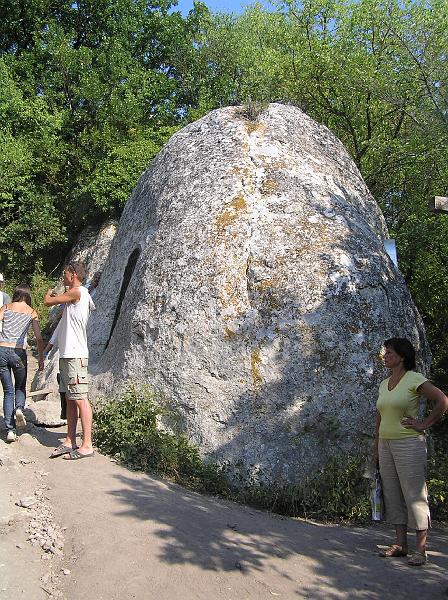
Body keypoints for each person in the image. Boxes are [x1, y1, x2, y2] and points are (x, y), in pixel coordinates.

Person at [374, 337, 448, 566]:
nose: (385, 356)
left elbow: (442, 400)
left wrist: (424, 424)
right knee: (392, 492)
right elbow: (379, 416)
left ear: (402, 356)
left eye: (389, 352)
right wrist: (375, 447)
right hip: (385, 443)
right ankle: (400, 544)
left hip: (409, 444)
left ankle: (421, 549)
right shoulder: (384, 383)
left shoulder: (414, 379)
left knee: (414, 494)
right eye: (385, 352)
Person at [44, 261, 95, 459]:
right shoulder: (74, 296)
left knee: (80, 398)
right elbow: (63, 324)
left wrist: (49, 294)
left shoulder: (79, 292)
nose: (64, 277)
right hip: (67, 354)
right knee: (70, 398)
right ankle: (70, 440)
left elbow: (48, 302)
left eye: (65, 273)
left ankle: (87, 445)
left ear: (73, 274)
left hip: (76, 354)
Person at [0, 285, 44, 442]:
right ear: (28, 296)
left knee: (8, 391)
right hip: (18, 353)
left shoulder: (6, 307)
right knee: (19, 387)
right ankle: (19, 408)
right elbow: (38, 337)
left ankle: (10, 430)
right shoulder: (31, 312)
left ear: (16, 294)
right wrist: (40, 357)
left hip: (2, 350)